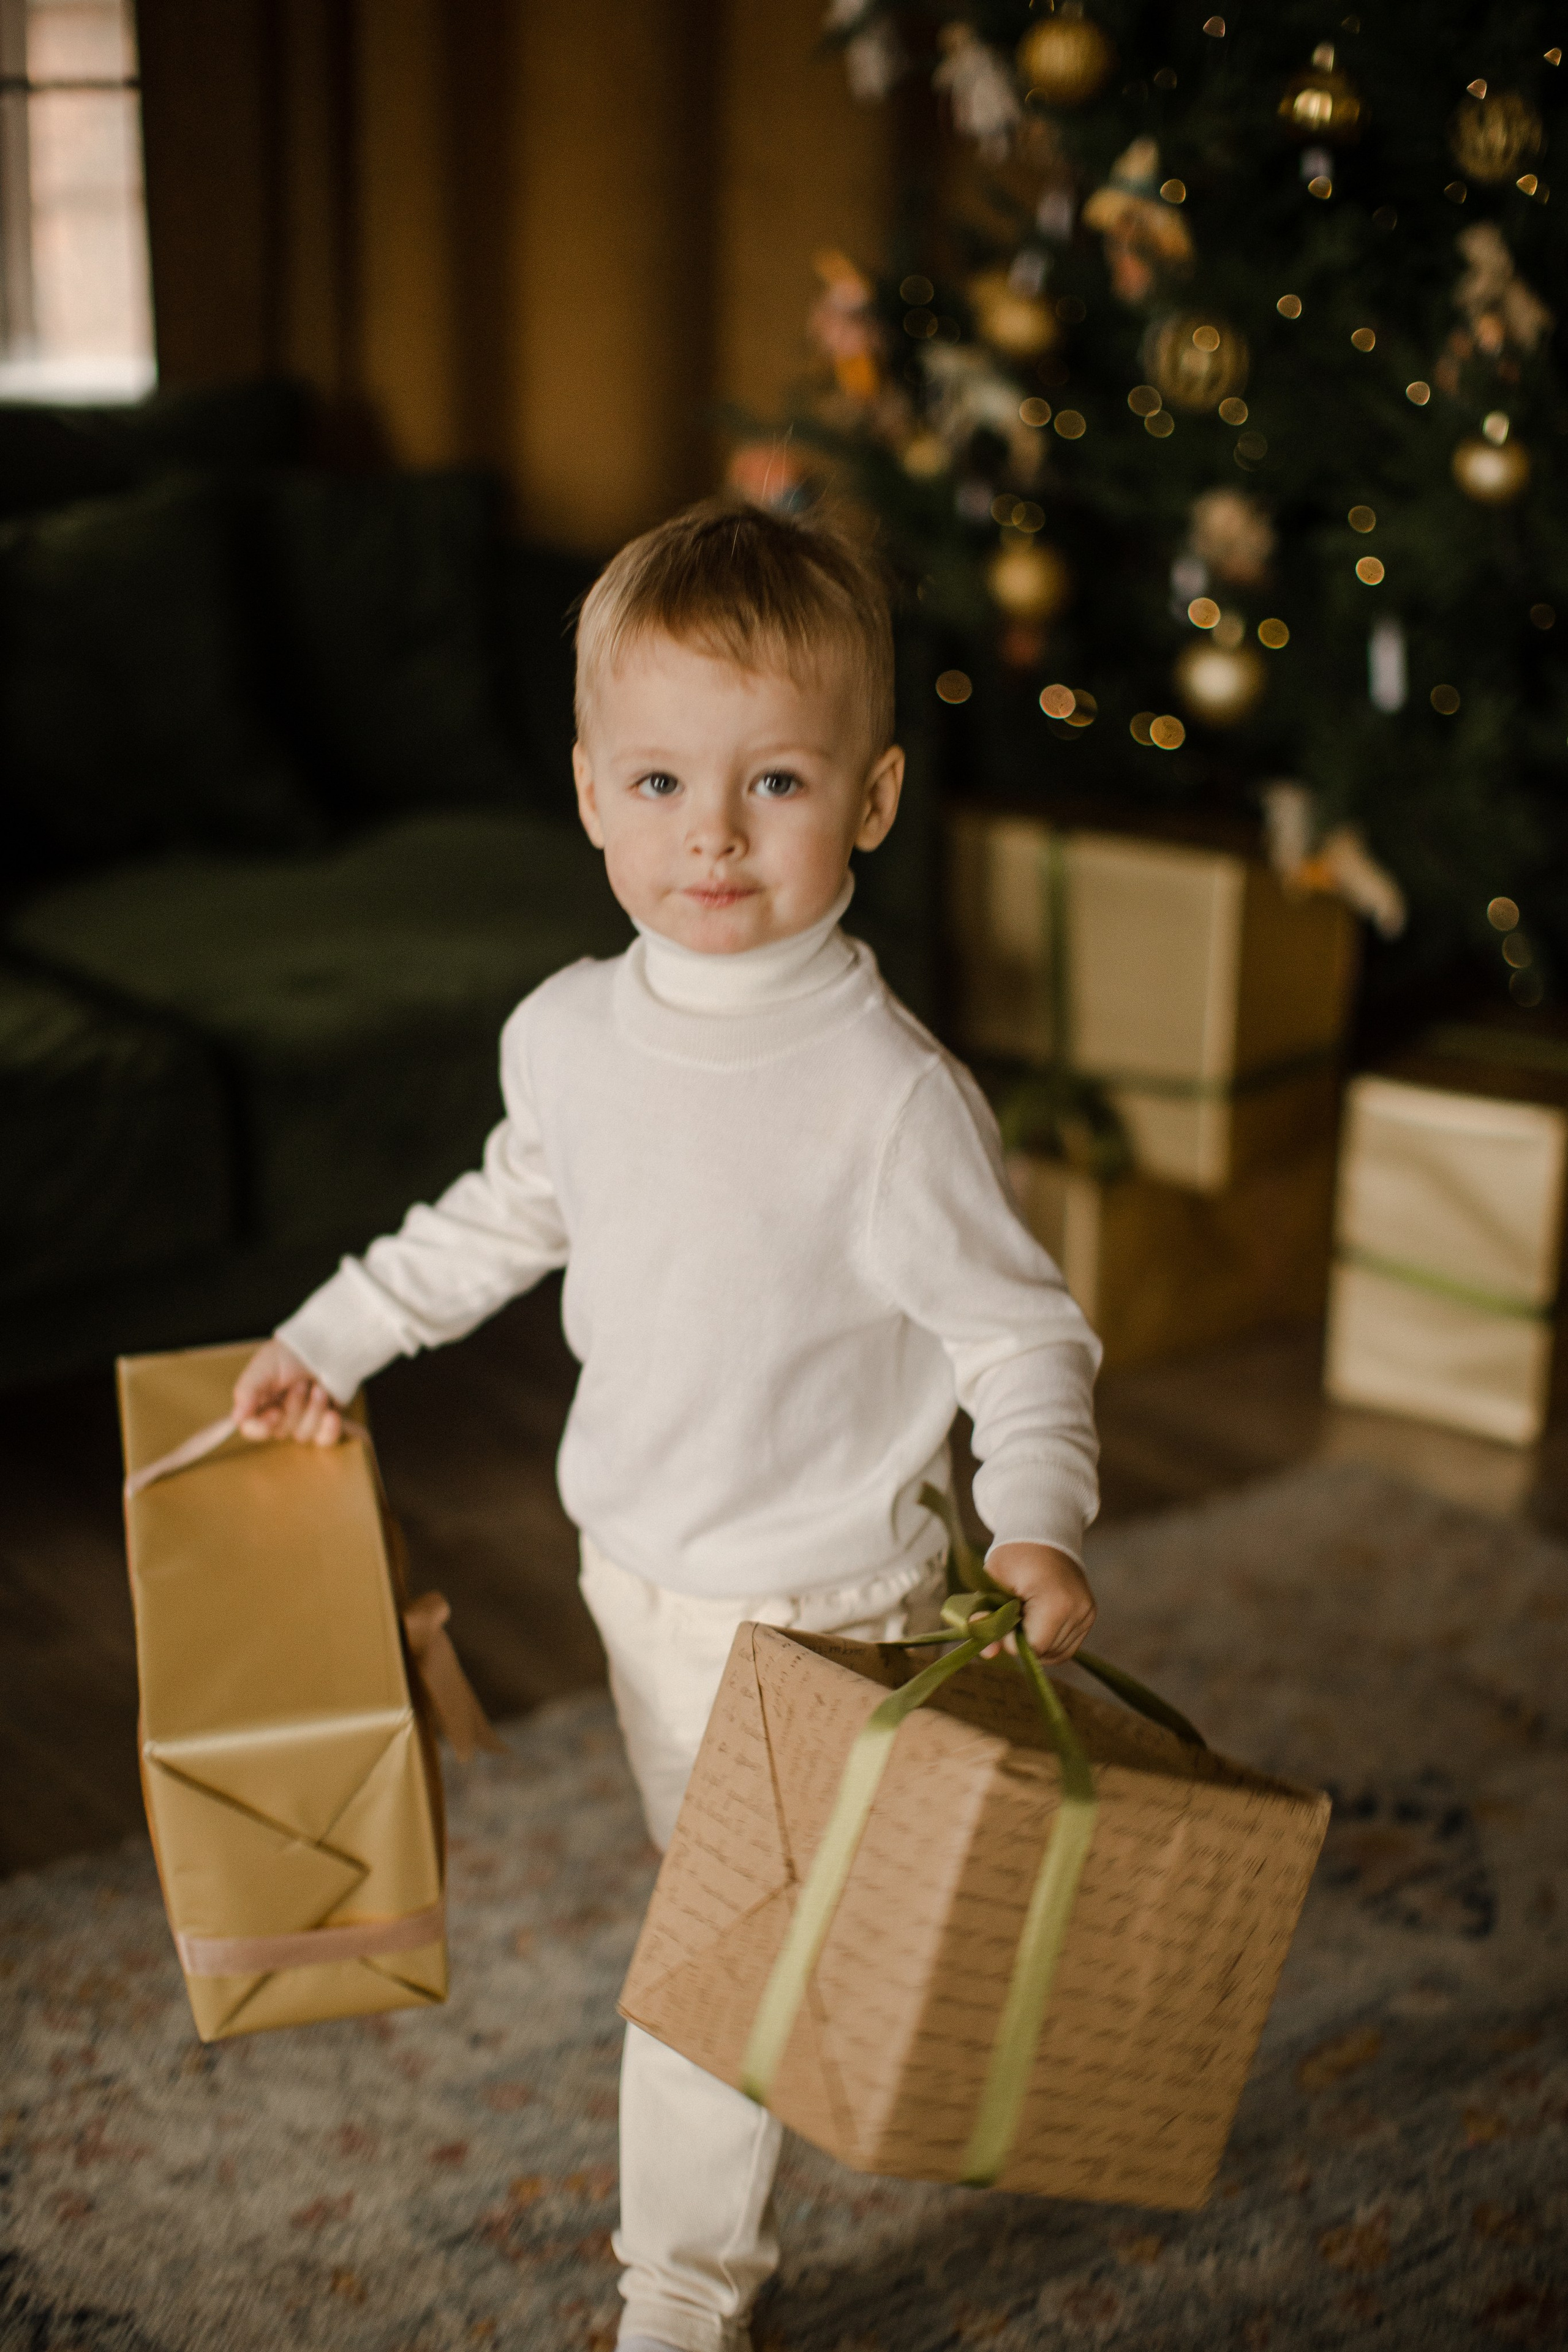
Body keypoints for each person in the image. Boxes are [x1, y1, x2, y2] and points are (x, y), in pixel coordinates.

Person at [233, 498, 1101, 2352]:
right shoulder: (567, 1033)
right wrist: (331, 1337)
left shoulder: (888, 1100)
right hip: (630, 1575)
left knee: (705, 1976)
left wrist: (1038, 1522)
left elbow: (1022, 1339)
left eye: (774, 781)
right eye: (659, 780)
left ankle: (680, 2294)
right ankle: (822, 2005)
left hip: (821, 1611)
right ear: (586, 789)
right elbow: (499, 1218)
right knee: (736, 1903)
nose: (710, 833)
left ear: (870, 799)